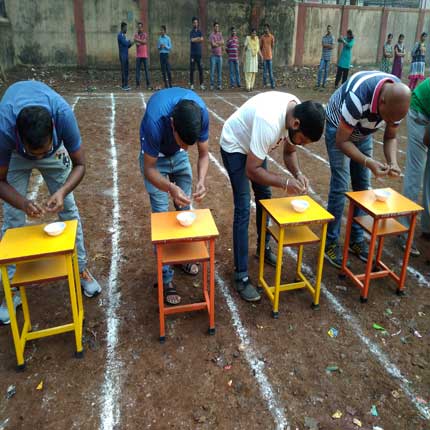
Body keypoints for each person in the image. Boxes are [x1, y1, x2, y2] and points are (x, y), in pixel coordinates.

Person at [0, 81, 102, 324]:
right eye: (35, 154)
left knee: (69, 210)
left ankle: (80, 268)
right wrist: (23, 203)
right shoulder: (4, 128)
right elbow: (0, 180)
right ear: (19, 137)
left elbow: (81, 164)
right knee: (13, 217)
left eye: (42, 151)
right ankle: (10, 287)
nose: (39, 159)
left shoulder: (62, 115)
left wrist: (63, 191)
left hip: (56, 153)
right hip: (15, 156)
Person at [220, 92, 325, 302]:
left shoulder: (296, 109)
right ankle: (240, 276)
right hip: (234, 145)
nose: (301, 145)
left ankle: (263, 248)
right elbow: (252, 170)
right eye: (303, 140)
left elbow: (289, 152)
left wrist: (297, 174)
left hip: (253, 146)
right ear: (295, 123)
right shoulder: (269, 122)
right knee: (243, 205)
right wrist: (285, 183)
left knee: (264, 196)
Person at [324, 71, 411, 268]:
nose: (390, 122)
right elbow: (342, 141)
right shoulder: (358, 96)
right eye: (387, 118)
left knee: (363, 187)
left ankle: (356, 239)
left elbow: (390, 136)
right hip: (338, 127)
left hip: (363, 133)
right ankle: (330, 243)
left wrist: (393, 161)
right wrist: (368, 162)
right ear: (381, 103)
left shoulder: (398, 102)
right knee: (340, 186)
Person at [139, 88, 209, 305]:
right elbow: (149, 169)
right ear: (172, 125)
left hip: (177, 159)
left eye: (190, 143)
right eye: (182, 141)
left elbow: (204, 153)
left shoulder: (200, 113)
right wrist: (170, 187)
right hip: (156, 160)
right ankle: (165, 277)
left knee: (184, 212)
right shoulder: (154, 121)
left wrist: (201, 180)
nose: (186, 147)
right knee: (161, 218)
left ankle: (183, 258)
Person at [398, 78, 430, 256]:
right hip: (420, 113)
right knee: (416, 173)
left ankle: (427, 227)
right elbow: (427, 139)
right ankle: (403, 231)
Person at [134, 22, 152, 90]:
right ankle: (137, 85)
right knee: (137, 71)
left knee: (146, 71)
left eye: (140, 27)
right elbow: (137, 44)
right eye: (138, 27)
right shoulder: (136, 34)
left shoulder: (145, 34)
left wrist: (138, 41)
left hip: (144, 55)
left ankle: (148, 85)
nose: (139, 28)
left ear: (142, 28)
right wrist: (139, 42)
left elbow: (144, 42)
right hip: (138, 55)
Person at [189, 17, 205, 90]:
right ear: (192, 23)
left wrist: (197, 39)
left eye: (196, 22)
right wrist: (198, 39)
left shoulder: (200, 31)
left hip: (199, 54)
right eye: (194, 22)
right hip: (193, 54)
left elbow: (202, 39)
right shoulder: (191, 32)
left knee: (200, 69)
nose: (195, 23)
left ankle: (201, 84)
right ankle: (192, 84)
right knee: (192, 69)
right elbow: (192, 40)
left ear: (197, 23)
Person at [316, 25, 334, 89]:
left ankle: (324, 84)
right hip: (323, 56)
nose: (329, 30)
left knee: (326, 70)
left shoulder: (332, 37)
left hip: (328, 57)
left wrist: (327, 45)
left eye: (330, 29)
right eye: (328, 29)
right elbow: (323, 45)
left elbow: (332, 47)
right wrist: (329, 45)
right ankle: (318, 84)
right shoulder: (324, 37)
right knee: (320, 69)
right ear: (327, 29)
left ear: (331, 30)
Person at [117, 22, 134, 91]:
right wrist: (129, 42)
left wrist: (132, 43)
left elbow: (127, 46)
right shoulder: (120, 35)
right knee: (124, 70)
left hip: (126, 55)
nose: (126, 29)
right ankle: (124, 85)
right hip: (122, 55)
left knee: (126, 70)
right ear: (122, 28)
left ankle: (126, 84)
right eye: (125, 28)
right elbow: (125, 43)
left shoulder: (124, 36)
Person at [209, 22, 224, 90]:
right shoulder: (211, 35)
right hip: (213, 56)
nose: (217, 28)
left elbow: (223, 42)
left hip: (219, 55)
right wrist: (219, 43)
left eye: (218, 26)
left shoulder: (220, 34)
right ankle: (212, 85)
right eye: (216, 26)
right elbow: (213, 44)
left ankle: (219, 85)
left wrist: (217, 43)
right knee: (212, 71)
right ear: (214, 27)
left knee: (219, 71)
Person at [260, 24, 275, 89]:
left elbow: (272, 46)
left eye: (266, 28)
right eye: (264, 28)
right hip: (264, 57)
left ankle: (272, 84)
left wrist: (269, 52)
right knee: (264, 72)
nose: (265, 29)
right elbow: (260, 47)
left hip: (270, 57)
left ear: (269, 29)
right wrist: (262, 55)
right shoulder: (262, 37)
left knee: (271, 72)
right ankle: (264, 84)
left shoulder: (272, 37)